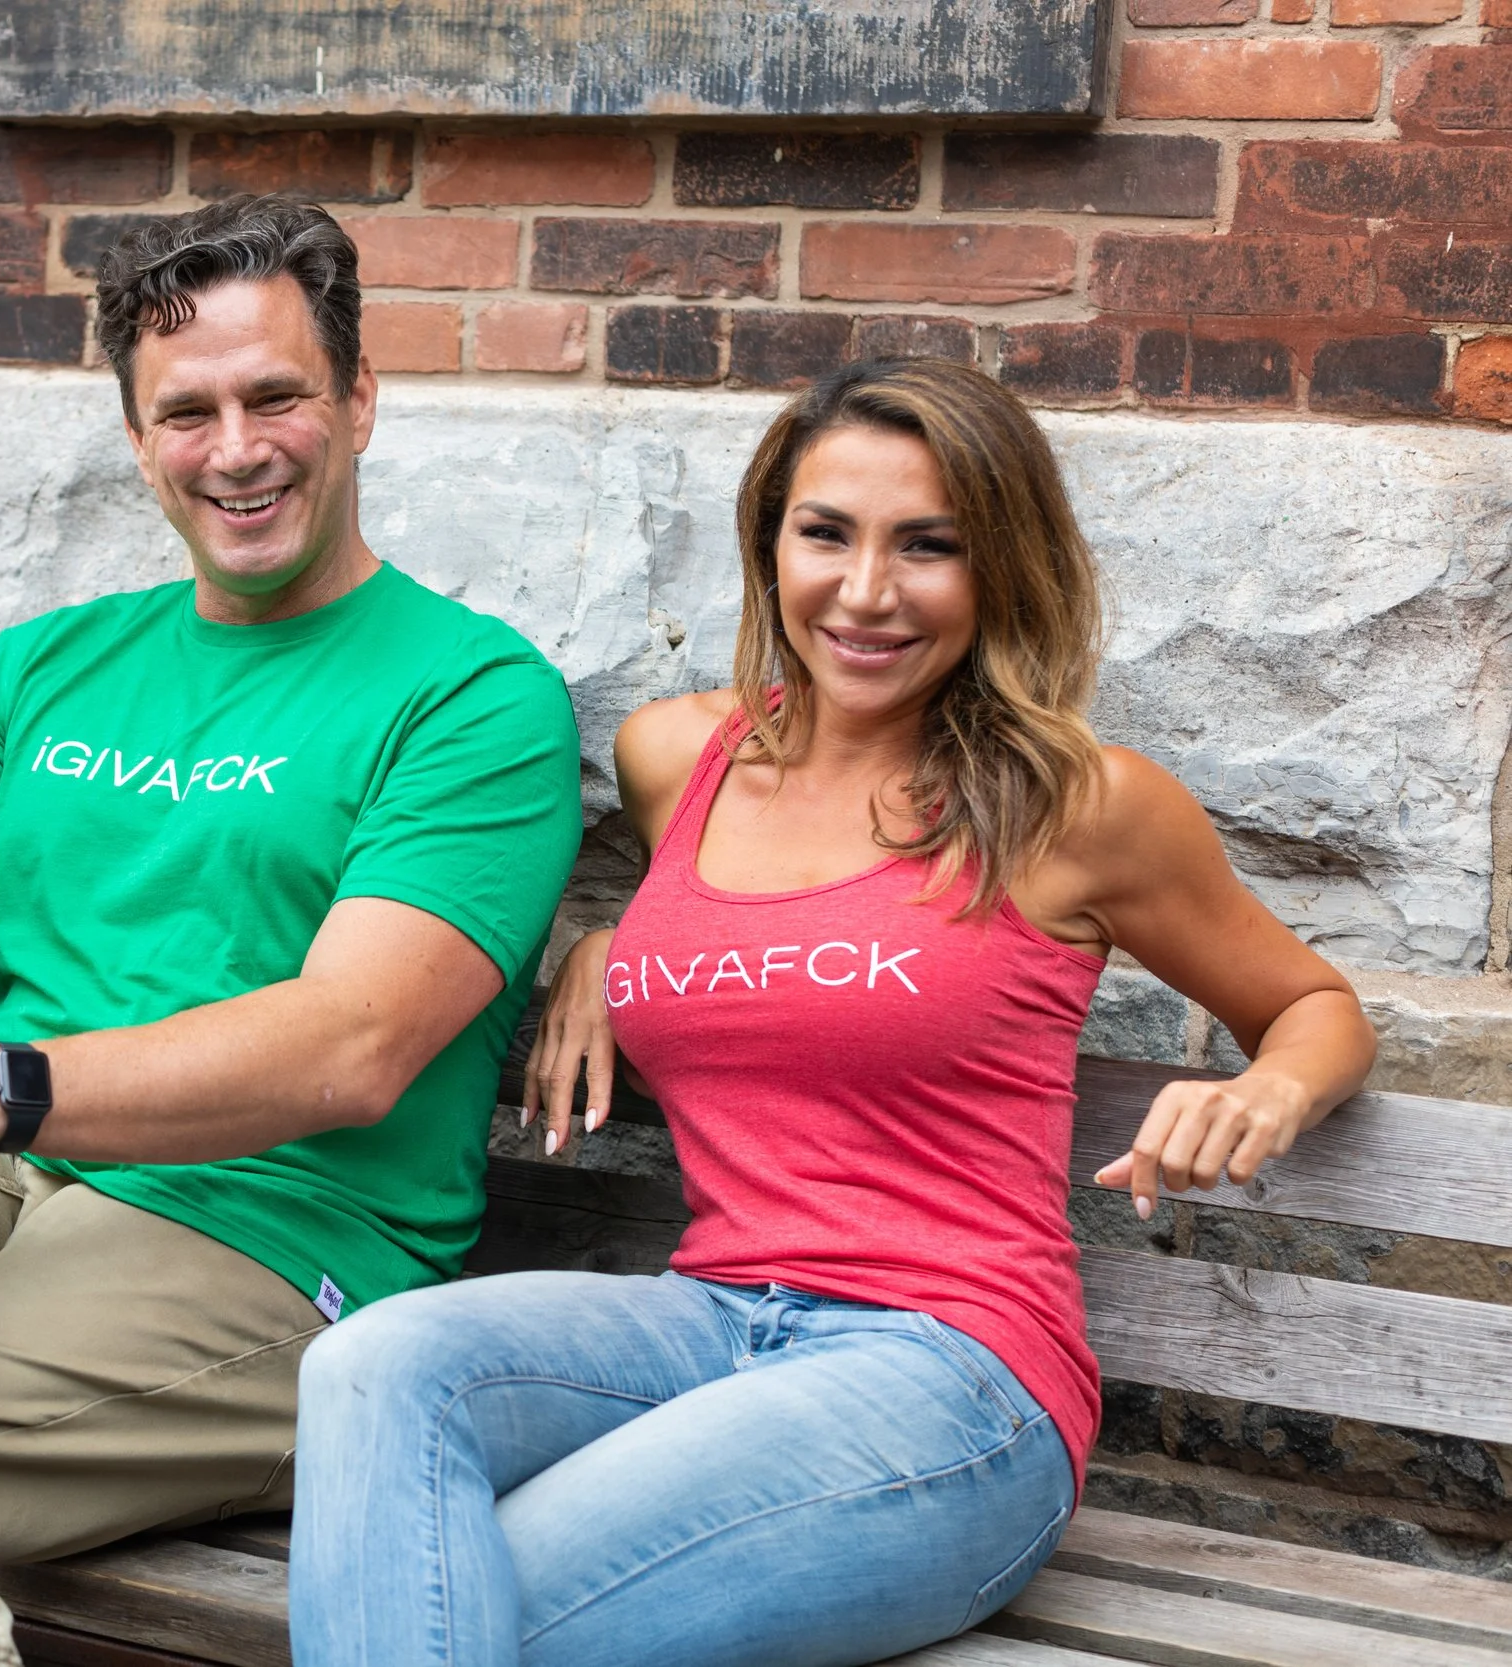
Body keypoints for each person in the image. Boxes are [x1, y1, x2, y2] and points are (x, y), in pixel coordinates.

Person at [287, 357, 1379, 1667]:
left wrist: (1269, 1086)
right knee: (376, 1361)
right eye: (828, 533)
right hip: (709, 1320)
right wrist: (602, 936)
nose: (866, 592)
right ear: (771, 541)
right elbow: (747, 931)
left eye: (930, 545)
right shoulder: (679, 757)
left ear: (1002, 567)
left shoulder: (1079, 804)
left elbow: (1315, 1002)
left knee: (455, 1595)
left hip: (951, 1376)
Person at [0, 193, 583, 1665]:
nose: (238, 447)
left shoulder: (473, 696)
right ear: (139, 441)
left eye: (278, 396)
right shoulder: (37, 670)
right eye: (187, 412)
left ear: (362, 403)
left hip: (273, 1234)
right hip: (15, 1175)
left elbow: (351, 1047)